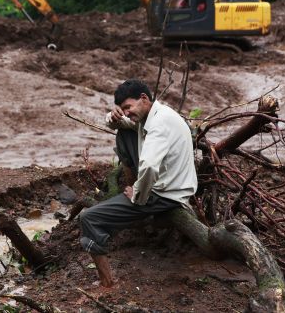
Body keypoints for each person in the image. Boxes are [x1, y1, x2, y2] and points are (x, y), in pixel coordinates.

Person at [79, 79, 198, 288]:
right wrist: (112, 116)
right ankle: (132, 194)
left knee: (89, 218)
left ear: (143, 98)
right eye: (122, 109)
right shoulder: (157, 114)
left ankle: (107, 284)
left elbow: (150, 167)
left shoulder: (159, 125)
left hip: (164, 194)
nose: (126, 113)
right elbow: (120, 124)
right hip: (174, 184)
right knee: (124, 132)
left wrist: (138, 196)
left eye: (128, 107)